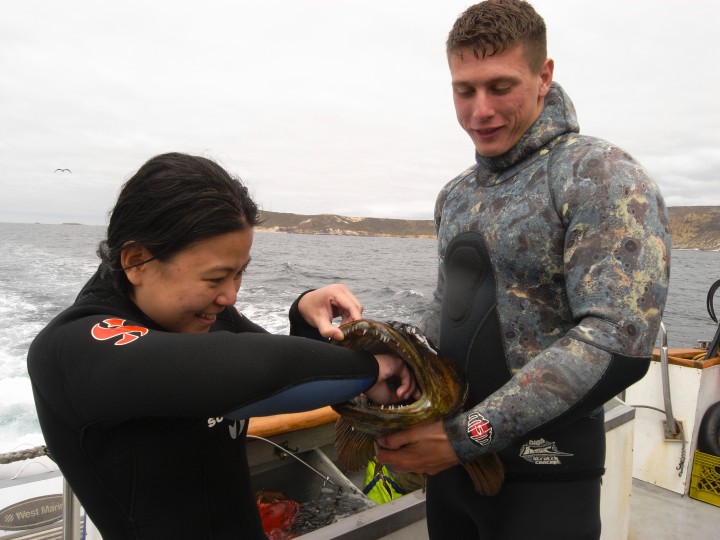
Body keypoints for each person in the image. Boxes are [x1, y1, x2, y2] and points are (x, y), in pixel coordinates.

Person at [373, 1, 671, 538]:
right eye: (464, 90)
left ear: (543, 76)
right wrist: (398, 354)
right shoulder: (456, 195)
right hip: (450, 472)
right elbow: (447, 310)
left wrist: (467, 436)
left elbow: (617, 341)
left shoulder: (599, 174)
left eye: (500, 86)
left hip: (546, 477)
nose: (480, 110)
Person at [27, 152, 418, 539]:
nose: (230, 296)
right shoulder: (71, 348)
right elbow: (248, 371)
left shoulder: (203, 316)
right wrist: (372, 368)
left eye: (239, 274)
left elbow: (286, 381)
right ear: (136, 261)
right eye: (215, 279)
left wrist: (303, 317)